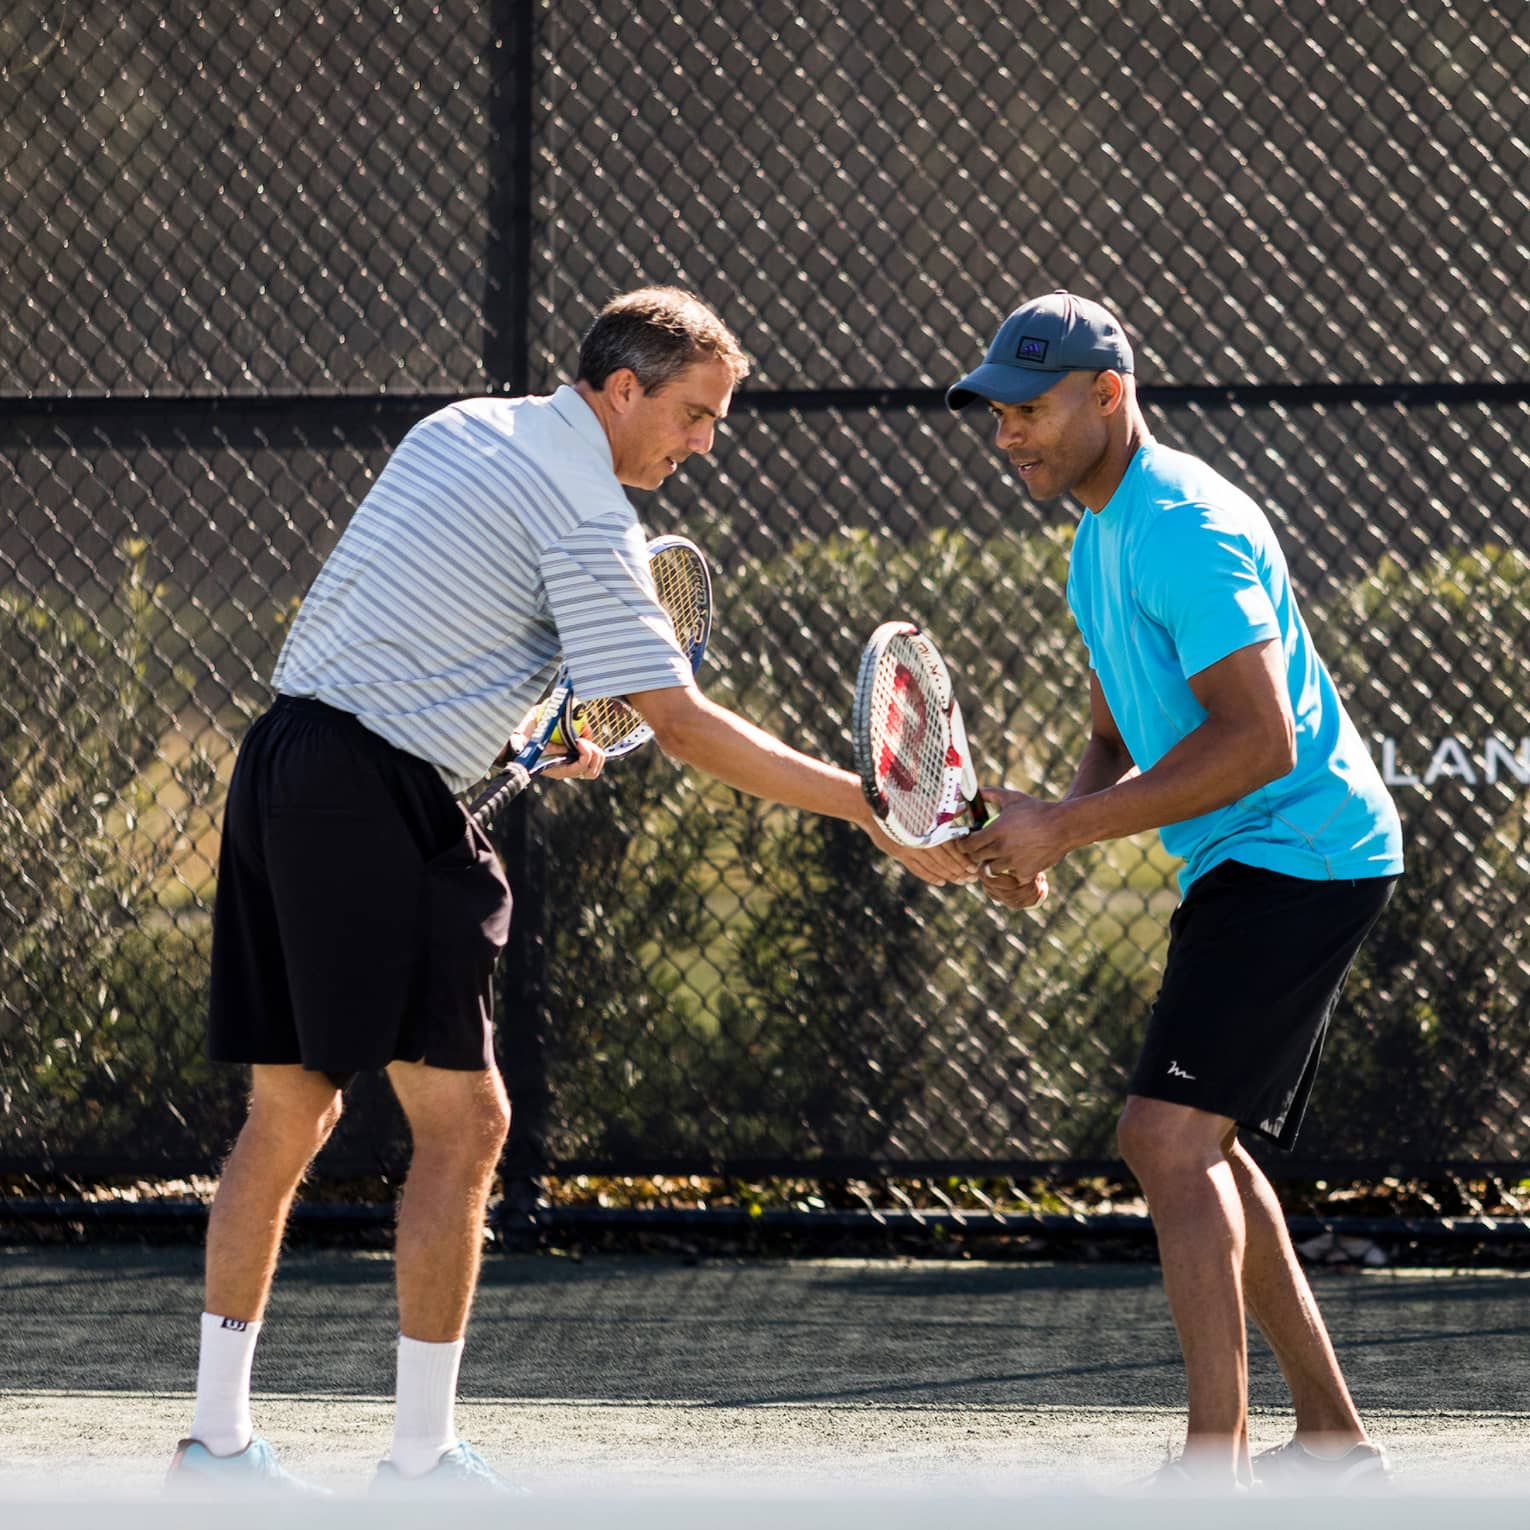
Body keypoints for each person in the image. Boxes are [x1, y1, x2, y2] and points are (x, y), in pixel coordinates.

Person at [168, 286, 970, 1499]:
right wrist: (876, 808)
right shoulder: (590, 509)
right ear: (622, 390)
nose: (704, 443)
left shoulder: (459, 427)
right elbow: (684, 728)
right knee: (468, 1124)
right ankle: (422, 1464)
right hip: (376, 800)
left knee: (290, 1115)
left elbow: (423, 621)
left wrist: (517, 732)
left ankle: (215, 1452)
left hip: (283, 763)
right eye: (694, 415)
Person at [946, 291, 1403, 1491]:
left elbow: (1257, 740)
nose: (1009, 435)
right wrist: (1047, 831)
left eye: (1030, 409)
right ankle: (1334, 1443)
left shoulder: (1185, 525)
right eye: (997, 414)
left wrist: (1071, 826)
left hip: (1299, 847)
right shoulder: (1098, 538)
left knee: (1163, 1136)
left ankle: (1217, 1468)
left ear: (1108, 393)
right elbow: (1118, 731)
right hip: (1247, 855)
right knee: (1206, 1147)